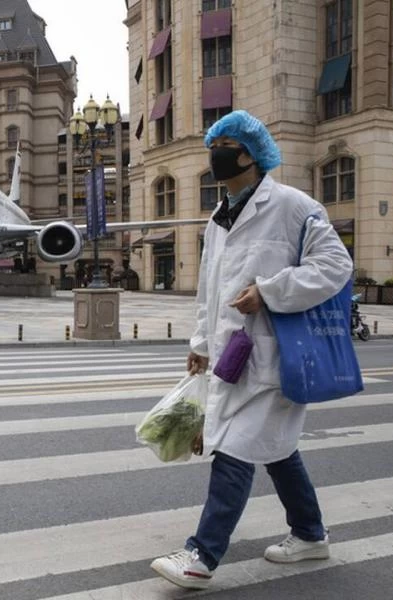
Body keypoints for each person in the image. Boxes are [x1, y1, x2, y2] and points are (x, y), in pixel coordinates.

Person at [149, 110, 353, 589]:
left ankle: (201, 556)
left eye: (224, 147)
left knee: (235, 447)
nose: (215, 156)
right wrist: (200, 344)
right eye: (212, 146)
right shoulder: (219, 218)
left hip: (276, 355)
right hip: (233, 354)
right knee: (279, 450)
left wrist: (271, 290)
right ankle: (309, 534)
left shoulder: (294, 207)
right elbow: (209, 288)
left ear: (250, 155)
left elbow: (335, 266)